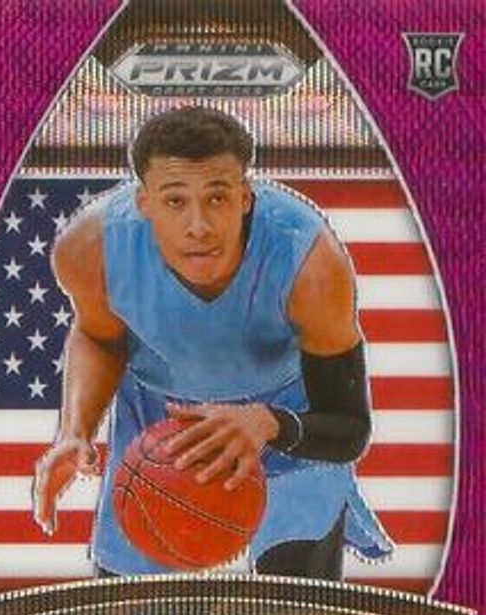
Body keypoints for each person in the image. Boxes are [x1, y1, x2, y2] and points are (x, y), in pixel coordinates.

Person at [33, 106, 393, 579]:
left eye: (217, 197)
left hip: (282, 418)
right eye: (175, 201)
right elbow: (100, 339)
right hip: (162, 426)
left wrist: (270, 423)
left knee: (298, 612)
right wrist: (74, 431)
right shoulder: (91, 246)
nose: (198, 225)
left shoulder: (309, 260)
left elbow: (350, 429)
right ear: (144, 203)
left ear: (245, 197)